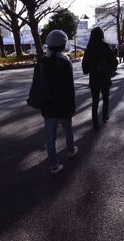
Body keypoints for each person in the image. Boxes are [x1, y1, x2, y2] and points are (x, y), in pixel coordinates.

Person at [40, 30, 78, 174]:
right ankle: (70, 151)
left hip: (48, 107)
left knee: (50, 138)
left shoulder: (43, 62)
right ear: (63, 45)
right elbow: (70, 88)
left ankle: (54, 165)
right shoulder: (65, 63)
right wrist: (72, 106)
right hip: (63, 106)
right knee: (68, 130)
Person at [82, 27, 117, 130]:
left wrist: (92, 67)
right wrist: (110, 71)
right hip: (105, 78)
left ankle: (95, 123)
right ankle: (105, 116)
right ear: (102, 35)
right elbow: (114, 62)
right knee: (105, 99)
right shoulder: (106, 47)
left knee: (95, 101)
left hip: (94, 79)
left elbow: (85, 66)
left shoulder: (89, 49)